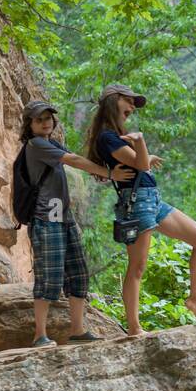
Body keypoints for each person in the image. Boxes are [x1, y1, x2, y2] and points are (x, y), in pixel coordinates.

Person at [83, 84, 196, 336]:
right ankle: (134, 327)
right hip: (136, 202)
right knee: (137, 267)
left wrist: (144, 153)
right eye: (128, 102)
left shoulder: (117, 136)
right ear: (114, 101)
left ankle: (195, 300)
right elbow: (140, 164)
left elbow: (139, 163)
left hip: (152, 200)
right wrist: (142, 145)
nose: (132, 107)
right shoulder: (108, 137)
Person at [20, 99, 135, 347]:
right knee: (49, 276)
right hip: (46, 217)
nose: (45, 122)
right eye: (39, 119)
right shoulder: (37, 144)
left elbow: (74, 161)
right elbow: (74, 161)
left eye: (48, 118)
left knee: (78, 272)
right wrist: (109, 173)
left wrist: (99, 171)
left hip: (63, 216)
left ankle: (77, 330)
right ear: (29, 124)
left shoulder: (51, 143)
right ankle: (39, 335)